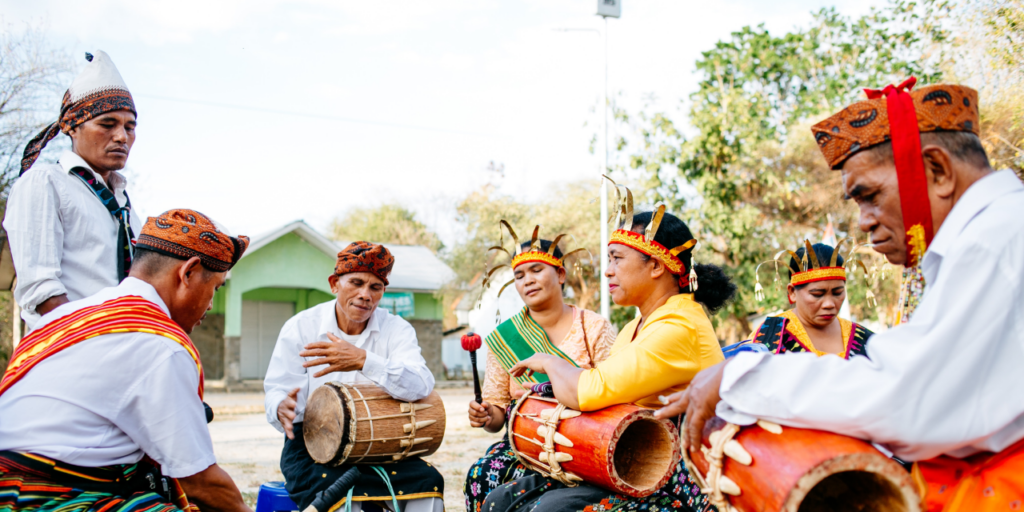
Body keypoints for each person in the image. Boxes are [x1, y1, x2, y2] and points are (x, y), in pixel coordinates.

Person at [658, 80, 1024, 511]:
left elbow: (908, 401)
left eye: (869, 196)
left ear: (937, 171)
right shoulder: (996, 233)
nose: (865, 223)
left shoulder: (996, 240)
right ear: (792, 295)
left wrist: (739, 378)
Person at [483, 204, 737, 512]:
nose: (608, 270)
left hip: (674, 475)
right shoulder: (637, 325)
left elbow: (588, 392)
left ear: (656, 266)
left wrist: (550, 362)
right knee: (500, 500)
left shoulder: (679, 326)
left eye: (617, 259)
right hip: (633, 459)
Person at [0, 209, 251, 512]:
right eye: (215, 288)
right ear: (188, 272)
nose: (211, 304)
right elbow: (200, 481)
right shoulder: (160, 342)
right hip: (43, 496)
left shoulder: (69, 316)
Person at [264, 241, 443, 512]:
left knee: (427, 482)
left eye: (375, 287)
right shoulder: (301, 327)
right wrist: (281, 407)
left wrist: (364, 360)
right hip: (314, 447)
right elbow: (277, 388)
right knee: (340, 493)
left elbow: (421, 384)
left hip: (381, 445)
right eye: (356, 283)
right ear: (334, 283)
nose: (365, 295)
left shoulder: (396, 329)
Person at [464, 227, 617, 511]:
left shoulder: (594, 327)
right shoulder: (504, 338)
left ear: (560, 275)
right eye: (519, 276)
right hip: (524, 447)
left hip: (583, 442)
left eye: (536, 270)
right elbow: (497, 416)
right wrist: (485, 414)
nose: (527, 281)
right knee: (482, 476)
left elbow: (615, 391)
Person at [4, 51, 142, 331]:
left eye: (130, 126)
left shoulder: (124, 204)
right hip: (66, 352)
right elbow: (42, 292)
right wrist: (93, 343)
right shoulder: (44, 183)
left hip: (117, 349)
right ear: (72, 127)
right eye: (107, 124)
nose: (122, 137)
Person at [727, 241, 873, 360]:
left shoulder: (865, 339)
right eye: (817, 294)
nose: (829, 304)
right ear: (792, 292)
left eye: (837, 293)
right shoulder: (771, 336)